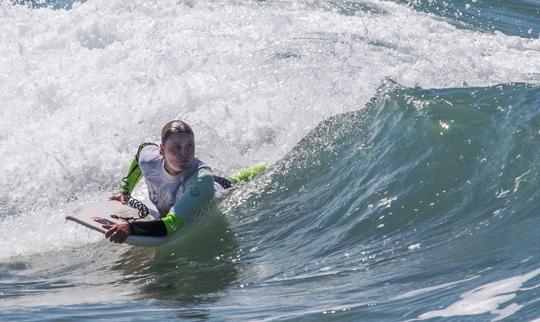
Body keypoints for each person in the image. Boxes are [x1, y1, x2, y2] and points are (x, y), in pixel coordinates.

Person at [104, 120, 231, 244]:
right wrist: (124, 192)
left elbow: (172, 224)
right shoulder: (150, 160)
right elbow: (141, 152)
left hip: (214, 188)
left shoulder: (202, 179)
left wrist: (131, 228)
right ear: (162, 150)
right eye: (176, 147)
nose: (184, 154)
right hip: (188, 190)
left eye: (189, 146)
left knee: (238, 180)